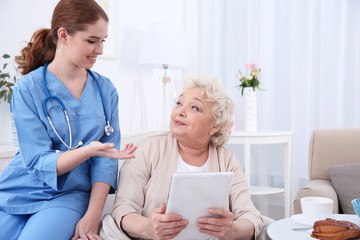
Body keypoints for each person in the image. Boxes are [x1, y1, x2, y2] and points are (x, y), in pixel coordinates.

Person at [0, 0, 136, 240]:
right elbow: (37, 160)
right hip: (19, 187)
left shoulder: (106, 91)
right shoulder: (27, 88)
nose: (100, 50)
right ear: (63, 35)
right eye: (92, 41)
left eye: (103, 41)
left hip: (67, 194)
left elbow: (106, 163)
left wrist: (92, 217)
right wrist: (88, 151)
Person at [100, 75, 264, 240]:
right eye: (179, 103)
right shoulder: (148, 149)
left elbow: (250, 216)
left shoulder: (227, 160)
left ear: (215, 125)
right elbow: (124, 207)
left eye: (194, 108)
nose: (180, 111)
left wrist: (233, 230)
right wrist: (146, 228)